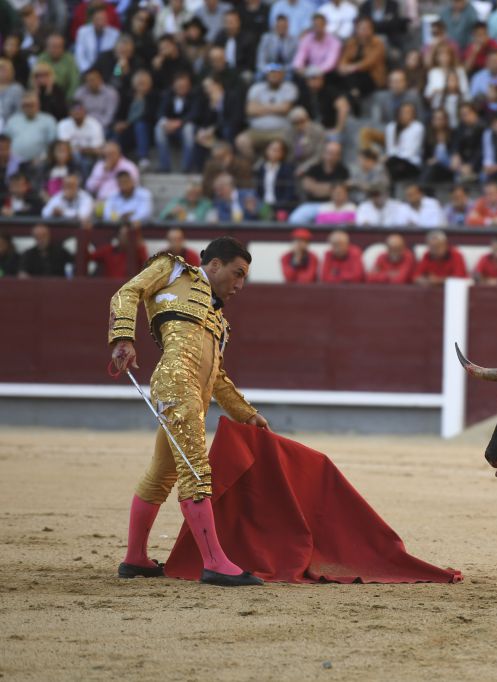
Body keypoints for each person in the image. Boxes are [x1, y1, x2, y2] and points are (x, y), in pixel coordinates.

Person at [109, 236, 267, 586]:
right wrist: (123, 338)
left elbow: (218, 376)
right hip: (176, 385)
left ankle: (135, 558)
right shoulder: (172, 270)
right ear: (213, 265)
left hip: (196, 392)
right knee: (195, 469)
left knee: (162, 473)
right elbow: (126, 293)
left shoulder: (218, 320)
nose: (240, 285)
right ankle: (213, 562)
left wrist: (245, 413)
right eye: (237, 274)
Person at [236, 63, 299, 159]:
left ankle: (280, 169)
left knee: (279, 146)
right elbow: (250, 110)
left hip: (280, 131)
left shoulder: (289, 88)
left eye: (277, 73)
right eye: (271, 73)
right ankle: (256, 166)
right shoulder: (256, 88)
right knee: (241, 140)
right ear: (266, 75)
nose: (274, 76)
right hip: (256, 131)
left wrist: (260, 107)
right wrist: (276, 108)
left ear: (283, 75)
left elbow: (285, 109)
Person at [5, 93, 58, 165]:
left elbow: (52, 144)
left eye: (31, 104)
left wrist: (43, 158)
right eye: (25, 105)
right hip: (15, 162)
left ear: (38, 105)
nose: (28, 107)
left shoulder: (48, 120)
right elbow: (5, 142)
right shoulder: (13, 120)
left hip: (39, 162)